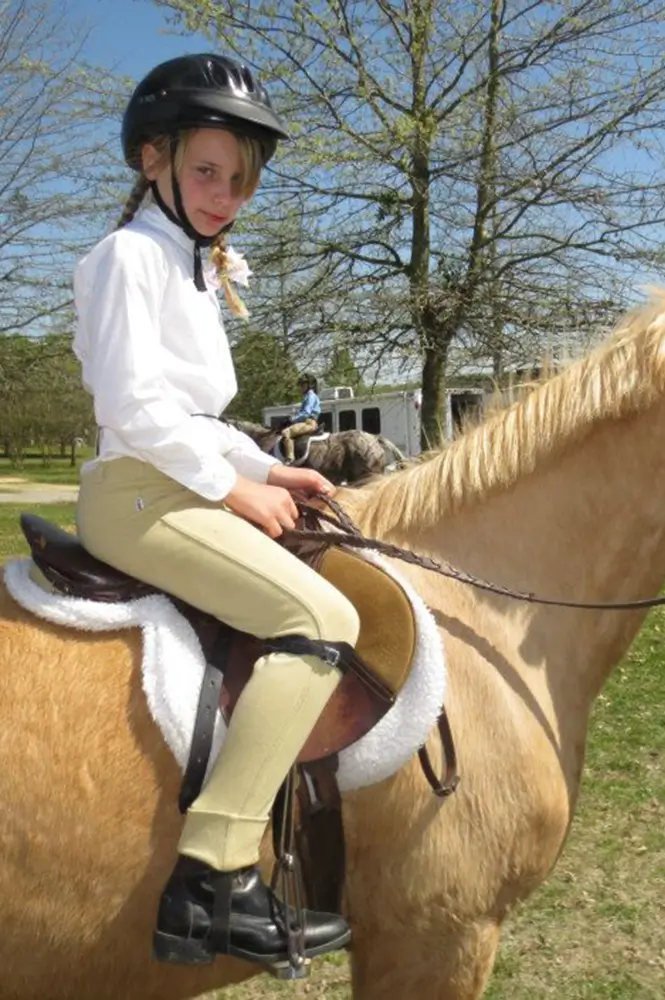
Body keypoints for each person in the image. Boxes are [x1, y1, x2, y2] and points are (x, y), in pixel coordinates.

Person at [72, 54, 358, 972]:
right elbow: (132, 405)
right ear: (152, 157)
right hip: (138, 495)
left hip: (177, 474)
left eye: (240, 180)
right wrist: (231, 487)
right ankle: (213, 878)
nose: (225, 194)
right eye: (206, 171)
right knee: (321, 619)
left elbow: (194, 414)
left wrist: (270, 464)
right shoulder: (127, 257)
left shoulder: (189, 268)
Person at [280, 374, 322, 462]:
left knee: (285, 432)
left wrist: (292, 419)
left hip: (308, 423)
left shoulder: (311, 396)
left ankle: (290, 458)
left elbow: (306, 413)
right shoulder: (309, 396)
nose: (300, 387)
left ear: (309, 385)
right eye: (300, 385)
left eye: (302, 385)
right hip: (307, 422)